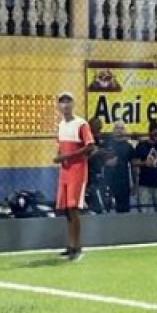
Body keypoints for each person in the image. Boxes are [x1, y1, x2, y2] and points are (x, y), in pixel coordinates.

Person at [52, 92, 95, 260]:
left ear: (73, 104)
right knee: (67, 210)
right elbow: (61, 147)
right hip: (65, 171)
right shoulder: (61, 125)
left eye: (68, 101)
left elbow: (90, 146)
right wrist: (59, 156)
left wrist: (66, 157)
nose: (65, 105)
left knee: (73, 208)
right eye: (62, 102)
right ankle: (70, 245)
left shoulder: (81, 124)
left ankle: (77, 246)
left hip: (77, 171)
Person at [100, 122, 135, 214]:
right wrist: (106, 163)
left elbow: (133, 166)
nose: (119, 130)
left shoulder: (128, 146)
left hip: (123, 183)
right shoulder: (106, 144)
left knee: (123, 211)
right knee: (105, 210)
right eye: (117, 128)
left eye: (122, 128)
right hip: (108, 182)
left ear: (125, 131)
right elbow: (99, 162)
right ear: (113, 130)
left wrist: (134, 183)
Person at [132, 118, 157, 211]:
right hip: (144, 184)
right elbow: (134, 162)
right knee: (143, 212)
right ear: (150, 133)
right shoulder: (142, 145)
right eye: (155, 133)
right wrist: (144, 163)